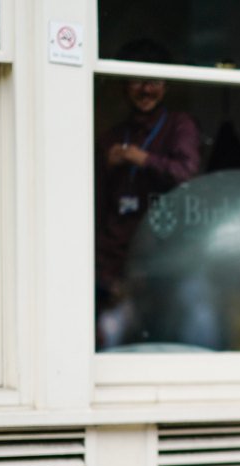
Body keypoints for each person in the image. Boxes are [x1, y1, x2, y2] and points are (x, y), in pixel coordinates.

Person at [94, 40, 200, 349]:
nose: (145, 89)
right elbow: (98, 206)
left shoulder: (180, 126)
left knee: (172, 342)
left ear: (166, 85)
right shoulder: (112, 138)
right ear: (124, 86)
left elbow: (187, 173)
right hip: (118, 265)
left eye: (153, 81)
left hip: (167, 261)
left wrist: (142, 159)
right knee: (113, 343)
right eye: (137, 81)